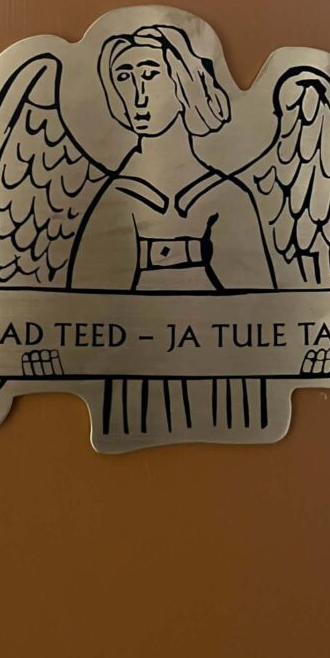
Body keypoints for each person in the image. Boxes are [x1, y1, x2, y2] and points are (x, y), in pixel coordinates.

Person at [70, 25, 276, 439]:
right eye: (124, 78)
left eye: (150, 74)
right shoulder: (114, 200)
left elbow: (264, 319)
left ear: (182, 82)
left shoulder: (226, 197)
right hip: (136, 378)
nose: (137, 94)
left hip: (221, 379)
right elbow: (82, 318)